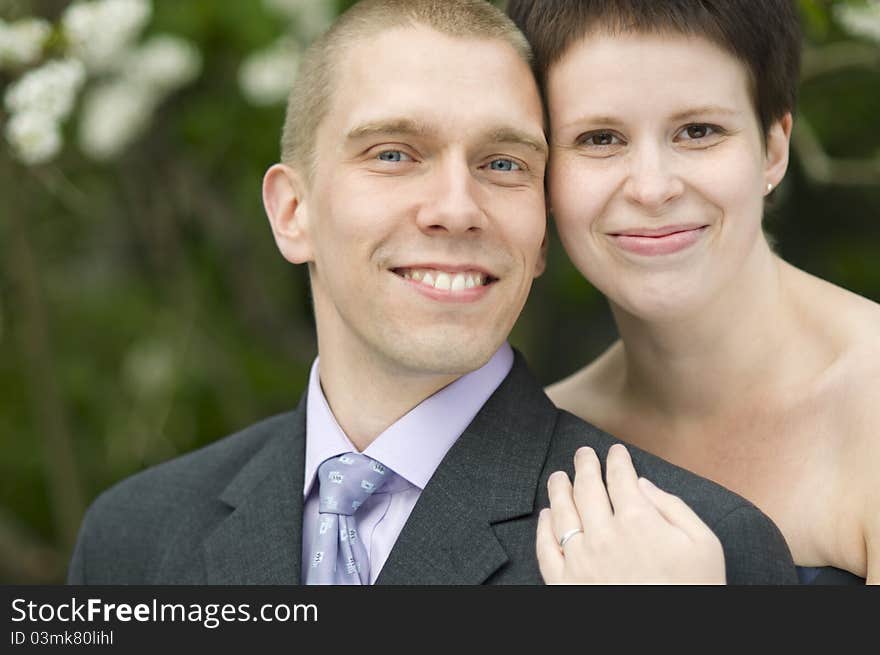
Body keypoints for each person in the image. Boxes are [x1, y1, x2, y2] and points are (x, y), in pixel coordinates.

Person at [67, 0, 796, 586]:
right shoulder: (134, 536)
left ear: (541, 233)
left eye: (503, 163)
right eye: (394, 153)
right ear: (294, 212)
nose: (456, 205)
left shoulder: (703, 545)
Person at [508, 0, 877, 584]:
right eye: (600, 138)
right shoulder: (534, 438)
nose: (652, 188)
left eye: (699, 131)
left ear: (773, 149)